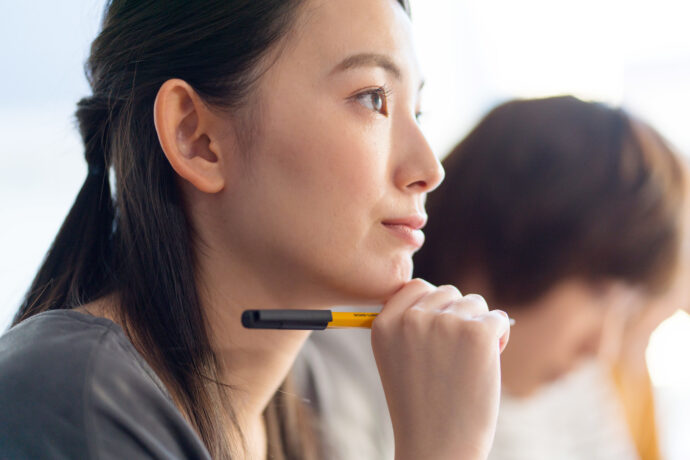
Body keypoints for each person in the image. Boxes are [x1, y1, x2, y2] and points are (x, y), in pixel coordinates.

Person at [0, 1, 512, 459]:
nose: (429, 167)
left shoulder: (318, 405)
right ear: (196, 137)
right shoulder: (71, 395)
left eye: (417, 111)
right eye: (372, 99)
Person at [413, 96, 688, 460]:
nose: (602, 347)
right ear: (510, 233)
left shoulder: (575, 387)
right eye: (598, 291)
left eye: (625, 308)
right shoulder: (345, 380)